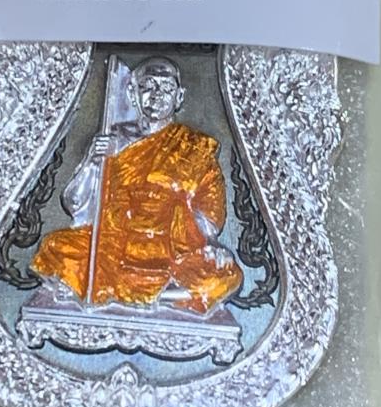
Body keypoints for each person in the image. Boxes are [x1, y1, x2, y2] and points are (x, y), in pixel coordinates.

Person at [31, 57, 243, 314]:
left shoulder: (195, 147)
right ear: (132, 93)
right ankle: (155, 295)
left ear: (179, 97)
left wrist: (210, 245)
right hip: (115, 245)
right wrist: (93, 160)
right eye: (148, 86)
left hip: (171, 249)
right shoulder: (112, 139)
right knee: (55, 246)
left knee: (225, 274)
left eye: (167, 87)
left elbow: (208, 216)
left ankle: (124, 292)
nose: (157, 94)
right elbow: (75, 203)